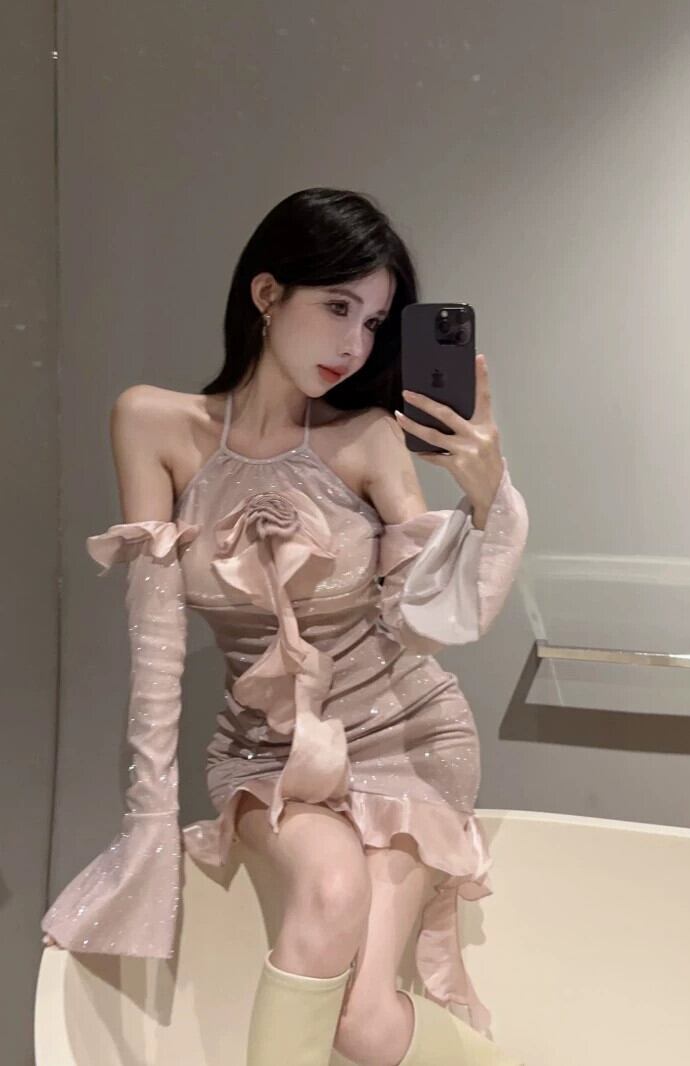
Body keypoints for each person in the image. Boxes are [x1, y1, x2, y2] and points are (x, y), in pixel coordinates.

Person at [40, 187, 529, 1065]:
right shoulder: (152, 424)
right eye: (337, 307)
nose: (356, 345)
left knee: (363, 1024)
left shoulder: (371, 436)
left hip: (409, 738)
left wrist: (489, 498)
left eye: (374, 322)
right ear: (267, 294)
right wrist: (146, 826)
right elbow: (156, 649)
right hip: (266, 752)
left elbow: (424, 624)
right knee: (331, 887)